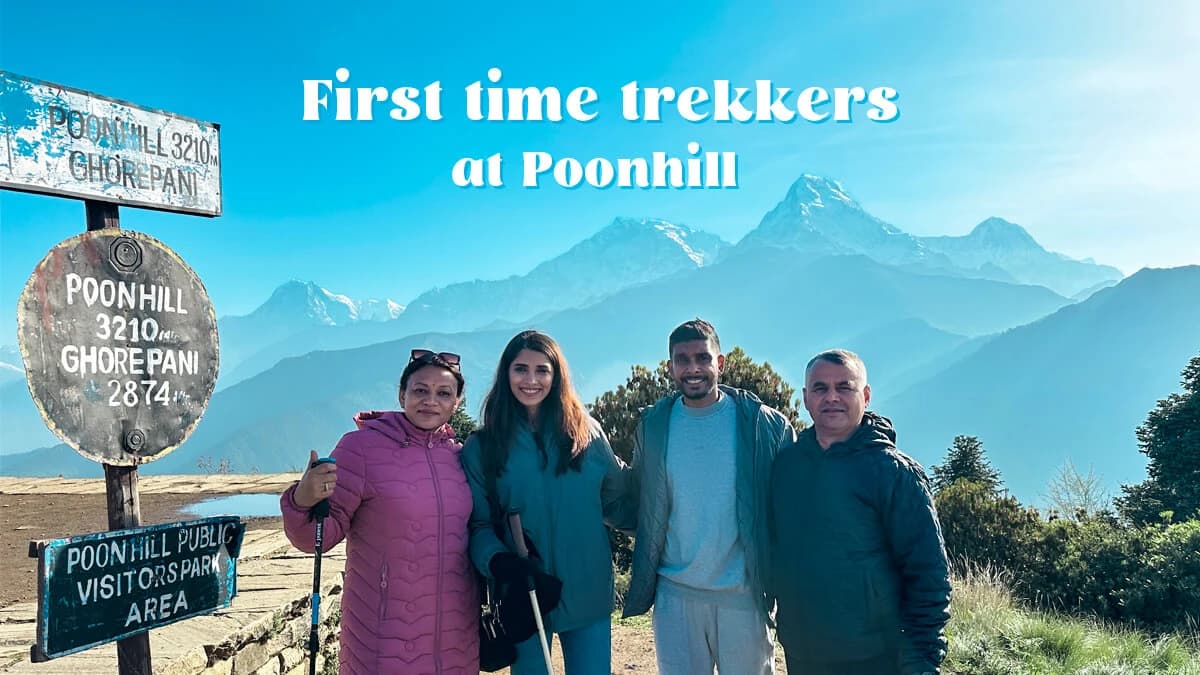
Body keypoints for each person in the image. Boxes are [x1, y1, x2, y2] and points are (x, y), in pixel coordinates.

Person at [280, 349, 477, 675]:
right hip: (382, 635)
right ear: (401, 395)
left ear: (456, 402)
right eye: (419, 390)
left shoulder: (462, 457)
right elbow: (318, 538)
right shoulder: (361, 449)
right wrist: (302, 499)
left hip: (456, 635)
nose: (430, 401)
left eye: (443, 393)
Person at [617, 318, 796, 674]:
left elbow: (792, 506)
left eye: (703, 357)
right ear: (670, 367)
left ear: (721, 362)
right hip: (675, 595)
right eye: (682, 360)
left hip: (744, 596)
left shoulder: (764, 426)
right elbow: (640, 500)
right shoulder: (653, 426)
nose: (693, 368)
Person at [770, 349, 952, 675]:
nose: (832, 397)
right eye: (820, 388)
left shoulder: (894, 473)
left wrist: (922, 661)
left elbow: (929, 576)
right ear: (806, 398)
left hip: (877, 656)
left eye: (845, 387)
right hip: (803, 652)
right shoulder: (787, 466)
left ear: (865, 396)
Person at [463, 329, 631, 675]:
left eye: (542, 370)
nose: (531, 380)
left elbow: (618, 503)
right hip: (524, 595)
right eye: (521, 369)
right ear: (505, 373)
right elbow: (477, 524)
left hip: (588, 591)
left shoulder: (588, 434)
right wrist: (498, 561)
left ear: (557, 376)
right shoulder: (483, 447)